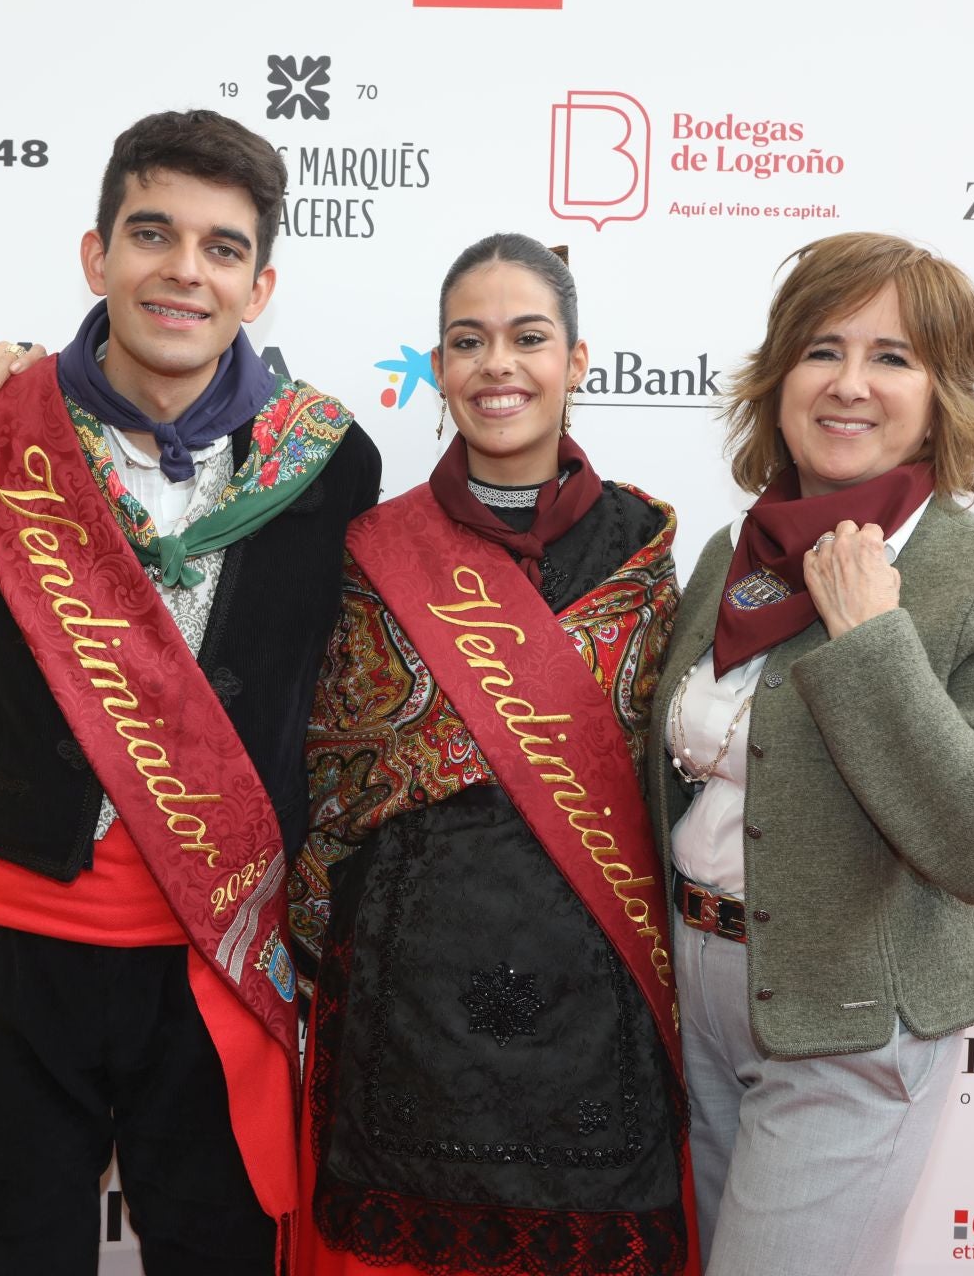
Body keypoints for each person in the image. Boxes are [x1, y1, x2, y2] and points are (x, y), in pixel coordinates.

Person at [0, 109, 381, 1274]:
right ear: (95, 254)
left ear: (260, 284)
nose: (184, 270)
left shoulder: (330, 463)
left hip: (214, 950)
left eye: (222, 248)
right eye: (152, 234)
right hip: (7, 948)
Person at [645, 232, 974, 1275]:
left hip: (853, 1014)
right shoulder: (732, 554)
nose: (850, 383)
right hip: (693, 991)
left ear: (941, 396)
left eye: (893, 357)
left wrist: (874, 638)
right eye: (822, 349)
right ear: (778, 377)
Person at [289, 233, 692, 1276]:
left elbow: (664, 779)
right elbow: (334, 771)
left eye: (528, 337)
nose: (497, 365)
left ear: (579, 359)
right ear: (438, 365)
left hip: (594, 988)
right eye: (467, 341)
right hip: (405, 987)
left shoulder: (643, 551)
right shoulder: (375, 548)